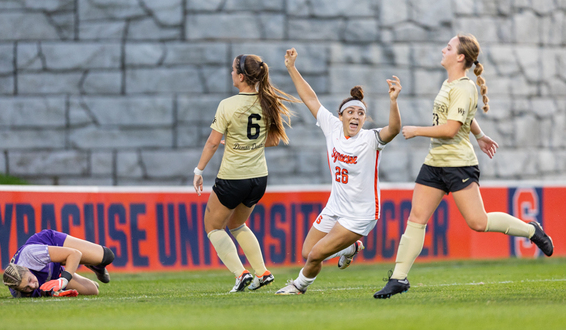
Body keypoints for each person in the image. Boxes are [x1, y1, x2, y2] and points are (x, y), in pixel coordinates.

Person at [373, 33, 554, 299]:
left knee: (478, 223)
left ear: (460, 57)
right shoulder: (449, 83)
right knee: (416, 218)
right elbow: (465, 117)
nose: (443, 50)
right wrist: (480, 136)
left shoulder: (464, 87)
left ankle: (531, 230)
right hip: (435, 162)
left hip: (458, 165)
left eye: (448, 47)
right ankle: (399, 278)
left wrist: (417, 131)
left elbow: (450, 129)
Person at [275, 48, 402, 295]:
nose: (356, 117)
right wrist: (291, 68)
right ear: (341, 116)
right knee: (306, 252)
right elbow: (310, 98)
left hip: (361, 214)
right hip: (335, 207)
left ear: (364, 119)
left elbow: (395, 129)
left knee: (314, 256)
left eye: (361, 113)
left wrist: (394, 101)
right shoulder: (332, 127)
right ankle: (350, 248)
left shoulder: (370, 139)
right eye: (351, 112)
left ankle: (298, 287)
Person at [193, 53, 299, 293]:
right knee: (237, 224)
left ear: (241, 77)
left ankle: (241, 274)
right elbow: (271, 140)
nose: (231, 73)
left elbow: (211, 143)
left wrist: (199, 170)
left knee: (212, 226)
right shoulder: (266, 102)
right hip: (258, 178)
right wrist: (242, 141)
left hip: (233, 177)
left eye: (233, 70)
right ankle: (262, 272)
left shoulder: (228, 104)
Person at [2, 229, 114, 298]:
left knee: (107, 256)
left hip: (53, 244)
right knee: (94, 290)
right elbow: (39, 292)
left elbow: (75, 254)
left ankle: (95, 265)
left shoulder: (30, 255)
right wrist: (51, 293)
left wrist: (64, 280)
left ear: (26, 268)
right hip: (50, 271)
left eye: (30, 280)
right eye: (26, 288)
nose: (33, 285)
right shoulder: (18, 290)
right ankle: (80, 263)